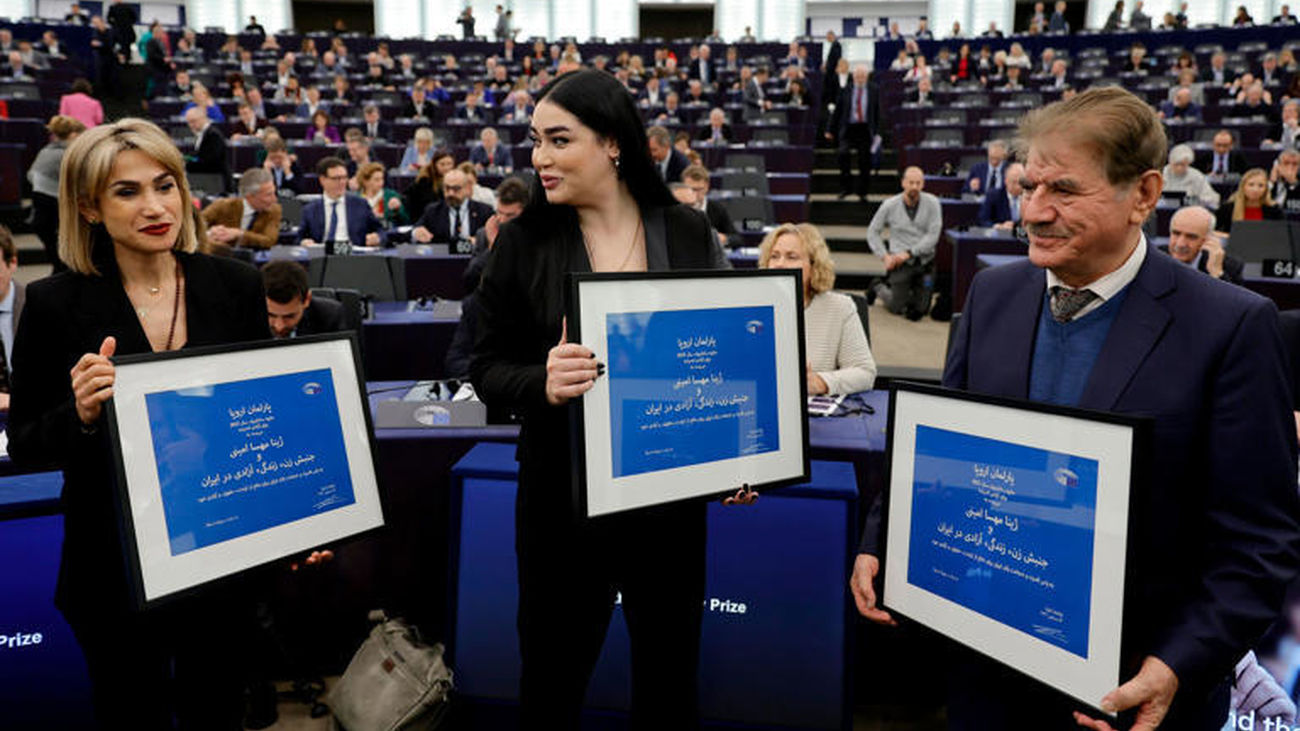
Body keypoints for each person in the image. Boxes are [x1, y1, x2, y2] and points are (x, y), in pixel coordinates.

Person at [852, 86, 1300, 731]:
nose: (1033, 211)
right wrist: (883, 537)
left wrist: (1176, 664)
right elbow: (938, 448)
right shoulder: (992, 293)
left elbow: (1260, 545)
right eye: (1029, 187)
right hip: (986, 672)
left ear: (1143, 194)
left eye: (1062, 190)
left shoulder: (1232, 327)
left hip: (1130, 693)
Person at [470, 68, 738, 731]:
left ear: (612, 142)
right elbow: (474, 364)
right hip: (561, 513)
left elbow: (727, 357)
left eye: (559, 140)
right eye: (535, 140)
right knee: (552, 685)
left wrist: (740, 447)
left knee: (670, 685)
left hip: (669, 512)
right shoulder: (523, 242)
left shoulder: (687, 232)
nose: (538, 158)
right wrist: (542, 379)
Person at [7, 117, 279, 729]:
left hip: (222, 556)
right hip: (112, 569)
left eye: (166, 185)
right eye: (127, 192)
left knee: (217, 712)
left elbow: (260, 419)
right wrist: (77, 414)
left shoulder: (235, 284)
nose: (156, 207)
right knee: (130, 713)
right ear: (90, 208)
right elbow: (25, 443)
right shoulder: (54, 303)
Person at [760, 223, 875, 395]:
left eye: (792, 257)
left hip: (812, 411)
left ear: (814, 267)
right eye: (774, 256)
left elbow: (865, 373)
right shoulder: (750, 308)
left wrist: (820, 383)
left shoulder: (840, 307)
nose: (779, 264)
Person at [866, 167, 941, 321]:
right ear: (903, 183)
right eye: (911, 182)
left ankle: (913, 295)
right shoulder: (889, 205)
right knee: (896, 307)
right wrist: (884, 256)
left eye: (918, 183)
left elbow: (933, 235)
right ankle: (878, 286)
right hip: (900, 264)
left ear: (923, 184)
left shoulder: (933, 203)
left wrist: (910, 252)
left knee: (921, 310)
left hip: (925, 262)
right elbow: (872, 232)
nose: (914, 187)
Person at [28, 115, 85, 271]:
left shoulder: (46, 150)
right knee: (62, 260)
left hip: (43, 209)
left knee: (59, 259)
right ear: (73, 135)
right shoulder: (66, 154)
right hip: (52, 211)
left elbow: (30, 175)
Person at [298, 157, 385, 253]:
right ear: (322, 180)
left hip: (354, 256)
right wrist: (304, 242)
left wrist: (377, 237)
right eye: (336, 178)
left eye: (344, 177)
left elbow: (381, 231)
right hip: (323, 257)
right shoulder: (310, 210)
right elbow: (299, 238)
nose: (342, 182)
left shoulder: (360, 204)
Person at [200, 168, 283, 250]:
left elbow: (269, 240)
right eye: (268, 195)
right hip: (219, 255)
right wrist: (210, 234)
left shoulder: (274, 210)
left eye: (274, 193)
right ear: (250, 196)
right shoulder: (223, 206)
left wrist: (239, 234)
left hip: (250, 259)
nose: (274, 199)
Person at [411, 168, 493, 251]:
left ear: (467, 188)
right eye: (447, 188)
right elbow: (416, 228)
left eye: (456, 189)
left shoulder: (484, 211)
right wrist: (417, 232)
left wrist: (480, 241)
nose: (450, 193)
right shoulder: (433, 211)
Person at [830, 64, 879, 202]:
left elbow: (877, 112)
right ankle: (846, 188)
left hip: (865, 129)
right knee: (842, 154)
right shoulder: (846, 89)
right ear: (853, 76)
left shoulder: (874, 90)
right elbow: (838, 111)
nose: (860, 78)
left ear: (867, 76)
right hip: (848, 128)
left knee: (864, 161)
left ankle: (862, 192)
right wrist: (830, 129)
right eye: (858, 75)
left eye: (863, 76)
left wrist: (877, 132)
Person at [1160, 206, 1243, 285]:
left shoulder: (1229, 267)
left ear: (1208, 240)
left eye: (1191, 237)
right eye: (1176, 233)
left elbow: (1233, 299)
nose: (1180, 244)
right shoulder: (1154, 256)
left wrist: (1216, 273)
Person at [263, 260, 345, 338]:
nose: (279, 326)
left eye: (290, 316)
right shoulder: (250, 316)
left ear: (307, 300)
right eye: (270, 315)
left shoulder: (329, 317)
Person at [680, 164, 736, 248]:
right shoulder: (675, 209)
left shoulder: (717, 209)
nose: (695, 194)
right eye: (691, 189)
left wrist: (724, 239)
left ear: (707, 187)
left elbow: (737, 239)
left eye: (699, 189)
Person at [1215, 168, 1284, 233]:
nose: (1255, 190)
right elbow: (1215, 232)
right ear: (1243, 187)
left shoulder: (1274, 210)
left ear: (1266, 189)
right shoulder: (1227, 209)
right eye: (1251, 185)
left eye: (1261, 186)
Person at [183, 105, 231, 193]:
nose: (191, 125)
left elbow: (210, 161)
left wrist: (187, 166)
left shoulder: (213, 135)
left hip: (217, 183)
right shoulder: (202, 134)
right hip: (209, 181)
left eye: (193, 121)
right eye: (188, 122)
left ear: (202, 118)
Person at [1162, 144, 1221, 209]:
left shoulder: (1196, 175)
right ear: (1170, 162)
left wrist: (1194, 201)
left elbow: (1212, 198)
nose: (1179, 168)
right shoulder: (1162, 174)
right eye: (1176, 164)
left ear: (1188, 163)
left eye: (1183, 165)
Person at [404, 151, 455, 221]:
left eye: (449, 164)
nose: (446, 168)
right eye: (442, 164)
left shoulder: (456, 179)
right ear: (435, 165)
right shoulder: (425, 181)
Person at [355, 162, 408, 227]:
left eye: (382, 179)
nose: (381, 183)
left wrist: (397, 209)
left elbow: (405, 221)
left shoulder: (391, 195)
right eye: (377, 180)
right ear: (365, 182)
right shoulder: (356, 198)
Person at [976, 161, 1025, 229]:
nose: (1018, 186)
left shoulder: (1031, 197)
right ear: (1006, 181)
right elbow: (982, 221)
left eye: (1020, 182)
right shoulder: (993, 196)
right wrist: (998, 226)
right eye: (1014, 182)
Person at [1272, 149, 1300, 213]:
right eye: (1286, 163)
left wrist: (1293, 183)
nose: (1290, 167)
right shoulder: (1266, 181)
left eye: (1295, 164)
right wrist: (1272, 183)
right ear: (1278, 165)